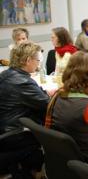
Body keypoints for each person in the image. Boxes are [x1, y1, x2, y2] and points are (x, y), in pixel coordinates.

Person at [0, 42, 50, 178]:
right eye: (38, 61)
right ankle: (40, 170)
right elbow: (48, 106)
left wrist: (42, 92)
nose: (39, 65)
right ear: (28, 60)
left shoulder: (7, 74)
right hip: (16, 134)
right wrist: (47, 94)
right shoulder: (23, 81)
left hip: (4, 127)